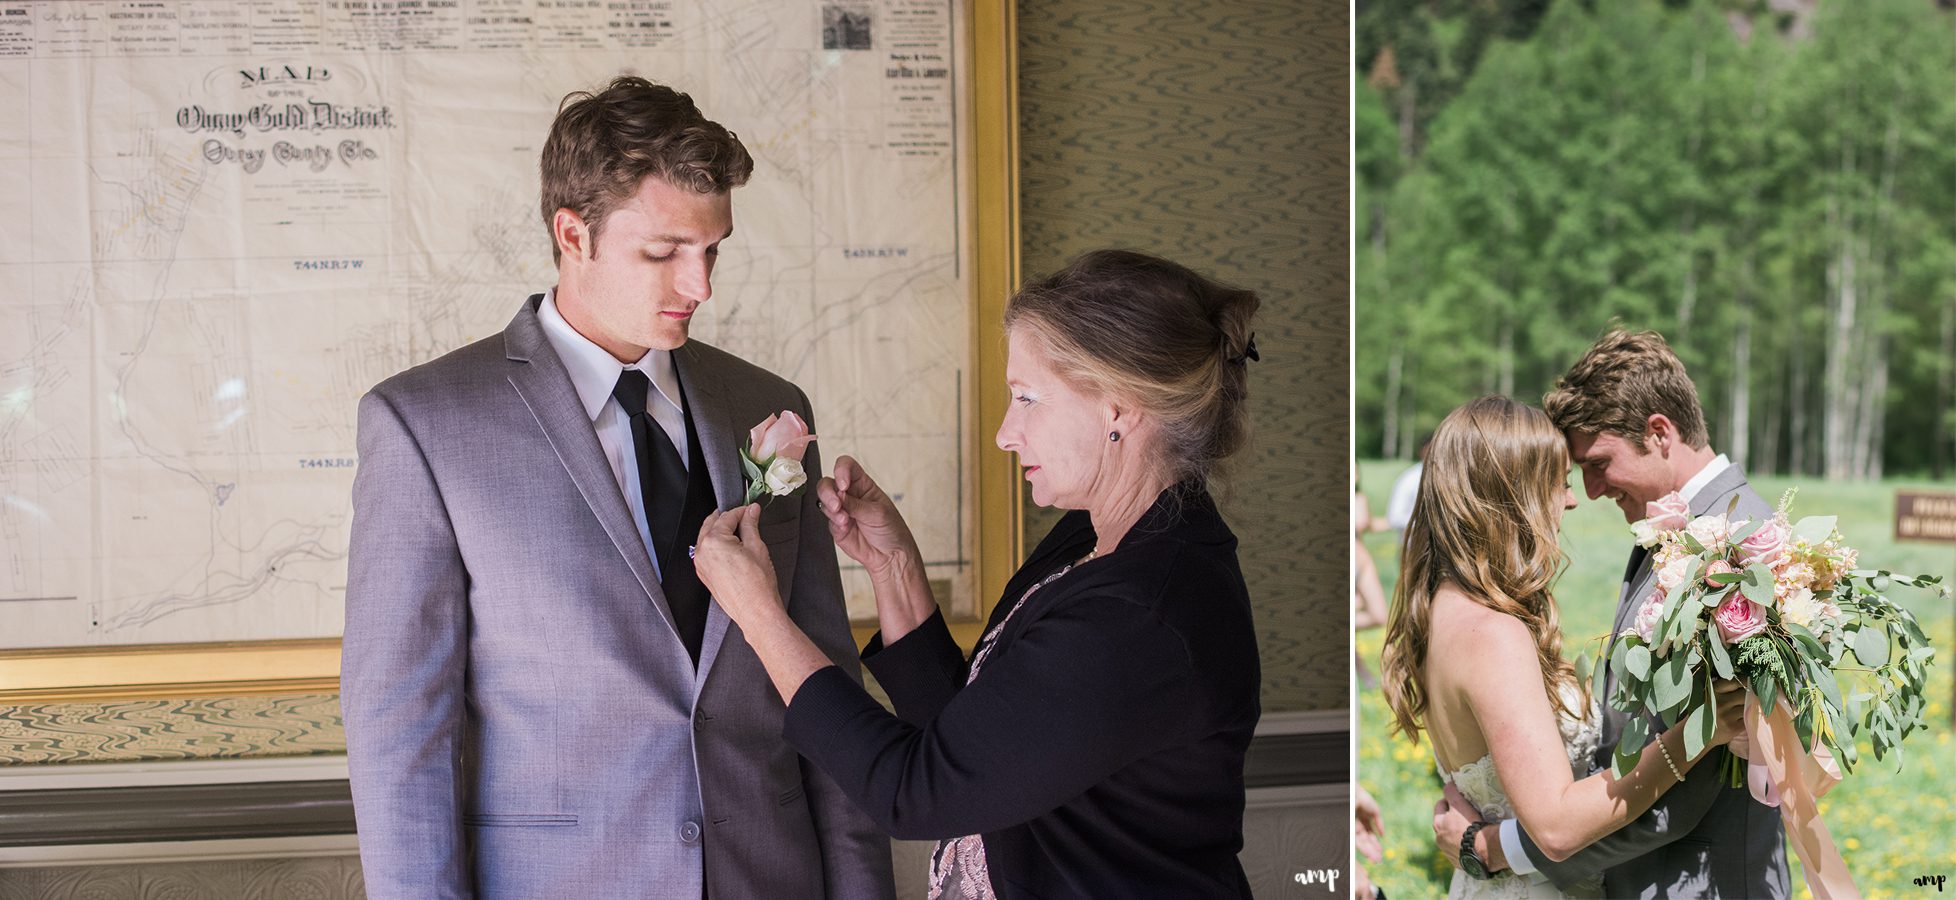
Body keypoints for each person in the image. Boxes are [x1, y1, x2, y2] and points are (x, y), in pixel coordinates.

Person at [341, 76, 893, 899]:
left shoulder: (769, 410)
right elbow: (401, 737)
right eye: (665, 253)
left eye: (713, 251)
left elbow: (827, 685)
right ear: (573, 232)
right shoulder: (424, 425)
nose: (699, 285)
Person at [691, 249, 1264, 898]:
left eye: (1026, 399)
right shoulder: (1093, 539)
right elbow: (972, 746)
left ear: (1119, 407)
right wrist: (895, 567)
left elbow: (918, 792)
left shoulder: (1142, 611)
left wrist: (760, 616)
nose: (1005, 433)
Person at [1431, 330, 1791, 898]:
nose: (1589, 492)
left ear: (1659, 432)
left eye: (1598, 463)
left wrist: (1497, 847)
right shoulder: (1680, 528)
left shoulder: (1737, 548)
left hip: (1693, 881)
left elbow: (1685, 785)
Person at [1380, 396, 1746, 899]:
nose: (1571, 501)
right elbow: (1556, 826)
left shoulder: (1443, 604)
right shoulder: (1492, 633)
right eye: (1559, 483)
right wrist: (1703, 733)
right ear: (1512, 494)